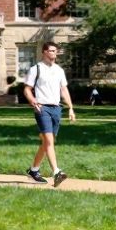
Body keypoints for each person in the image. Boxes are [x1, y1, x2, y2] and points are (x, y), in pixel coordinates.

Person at [23, 41, 75, 187]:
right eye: (52, 51)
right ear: (44, 52)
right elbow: (27, 89)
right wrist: (33, 101)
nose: (54, 53)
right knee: (49, 141)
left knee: (46, 143)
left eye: (56, 51)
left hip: (56, 109)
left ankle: (33, 170)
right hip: (42, 108)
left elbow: (64, 90)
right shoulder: (36, 69)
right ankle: (57, 172)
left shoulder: (59, 70)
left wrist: (70, 108)